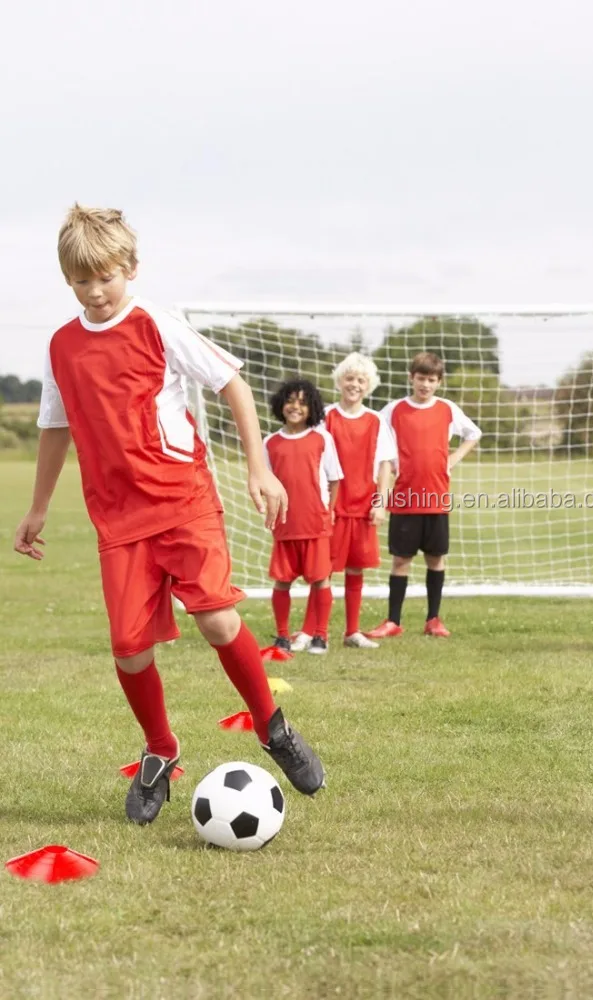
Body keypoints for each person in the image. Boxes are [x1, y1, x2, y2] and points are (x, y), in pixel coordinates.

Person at [13, 204, 325, 826]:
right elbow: (55, 426)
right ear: (67, 280)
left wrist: (258, 469)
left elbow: (232, 384)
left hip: (183, 501)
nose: (96, 291)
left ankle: (273, 726)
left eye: (107, 276)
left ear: (131, 268)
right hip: (117, 519)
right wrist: (38, 507)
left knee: (215, 616)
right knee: (129, 648)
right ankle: (161, 750)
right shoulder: (61, 346)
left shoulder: (157, 323)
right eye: (82, 280)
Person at [365, 351, 482, 638]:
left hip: (436, 496)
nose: (425, 385)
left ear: (438, 382)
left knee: (436, 558)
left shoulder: (447, 409)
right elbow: (377, 442)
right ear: (411, 378)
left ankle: (433, 619)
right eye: (421, 378)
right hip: (404, 497)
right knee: (401, 560)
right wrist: (387, 468)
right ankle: (393, 621)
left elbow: (474, 433)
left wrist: (453, 458)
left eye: (431, 380)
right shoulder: (393, 410)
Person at [298, 352, 395, 650]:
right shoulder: (325, 417)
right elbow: (311, 459)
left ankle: (352, 631)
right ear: (340, 381)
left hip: (362, 506)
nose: (355, 384)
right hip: (330, 507)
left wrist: (381, 503)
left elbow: (385, 466)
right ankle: (313, 632)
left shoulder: (376, 420)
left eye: (361, 380)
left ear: (369, 386)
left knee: (356, 569)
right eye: (350, 378)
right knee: (321, 571)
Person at [263, 379, 342, 656]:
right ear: (280, 404)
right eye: (290, 400)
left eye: (302, 402)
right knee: (282, 580)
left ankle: (321, 636)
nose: (295, 407)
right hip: (285, 524)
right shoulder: (270, 442)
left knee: (321, 579)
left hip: (315, 523)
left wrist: (327, 512)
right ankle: (283, 636)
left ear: (312, 408)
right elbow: (265, 483)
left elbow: (334, 481)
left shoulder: (322, 439)